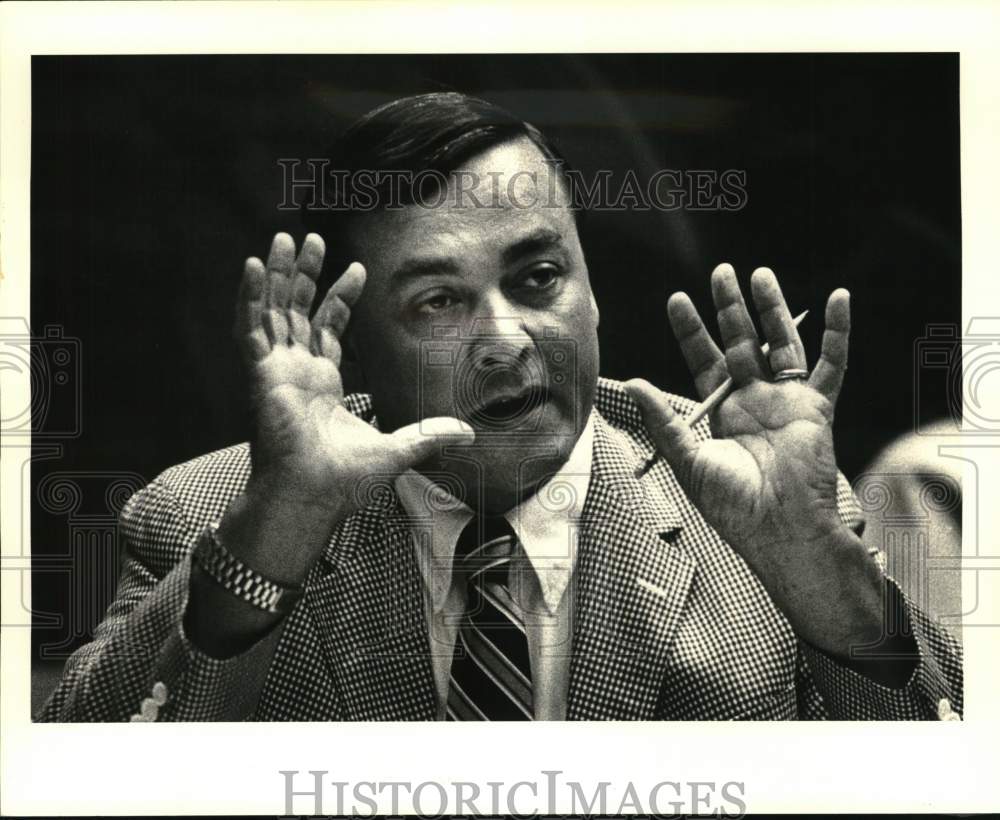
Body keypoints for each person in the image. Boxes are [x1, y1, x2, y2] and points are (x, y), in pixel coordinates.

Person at [40, 92, 962, 722]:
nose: (510, 342)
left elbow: (944, 772)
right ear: (350, 339)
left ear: (594, 288)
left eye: (539, 277)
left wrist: (820, 581)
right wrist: (276, 532)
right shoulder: (210, 519)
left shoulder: (757, 501)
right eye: (439, 301)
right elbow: (85, 778)